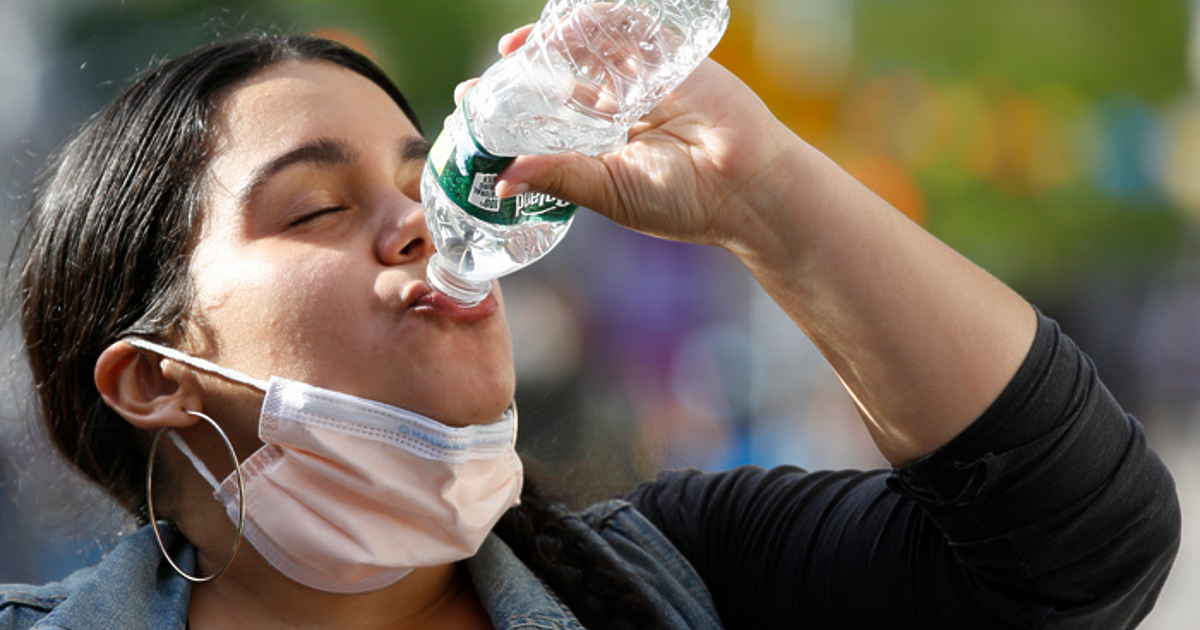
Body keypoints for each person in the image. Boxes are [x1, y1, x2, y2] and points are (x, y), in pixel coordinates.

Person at [3, 21, 1180, 630]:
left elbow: (1076, 553)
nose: (418, 225)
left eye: (424, 184)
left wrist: (760, 190)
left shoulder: (677, 579)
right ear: (154, 379)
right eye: (315, 205)